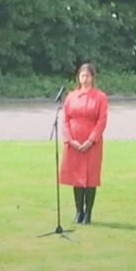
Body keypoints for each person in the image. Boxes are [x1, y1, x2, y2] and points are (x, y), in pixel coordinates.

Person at [57, 63, 108, 225]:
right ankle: (78, 211)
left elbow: (102, 120)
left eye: (88, 76)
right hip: (74, 142)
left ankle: (89, 213)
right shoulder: (71, 96)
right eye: (82, 76)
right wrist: (70, 139)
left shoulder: (100, 97)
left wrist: (91, 140)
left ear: (93, 78)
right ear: (78, 78)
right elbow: (65, 119)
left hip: (91, 143)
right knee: (76, 177)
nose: (85, 79)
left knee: (90, 178)